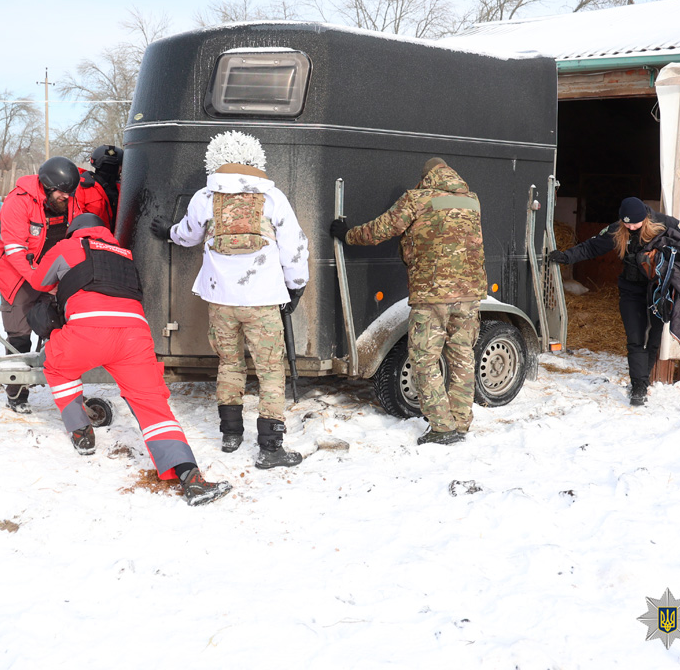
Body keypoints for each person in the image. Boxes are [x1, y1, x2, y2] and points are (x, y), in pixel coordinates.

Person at [28, 213, 232, 506]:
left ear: (75, 231)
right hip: (135, 336)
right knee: (153, 406)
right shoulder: (124, 254)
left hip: (86, 331)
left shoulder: (66, 247)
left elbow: (39, 282)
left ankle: (81, 429)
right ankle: (191, 476)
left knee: (57, 367)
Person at [153, 130, 309, 469]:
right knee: (269, 370)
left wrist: (168, 231)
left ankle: (231, 433)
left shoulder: (205, 197)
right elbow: (294, 246)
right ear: (256, 160)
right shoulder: (272, 197)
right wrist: (296, 286)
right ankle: (270, 447)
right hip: (263, 300)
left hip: (221, 300)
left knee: (229, 363)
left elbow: (188, 234)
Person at [331, 157, 487, 446]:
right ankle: (461, 421)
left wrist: (347, 234)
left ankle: (442, 427)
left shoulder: (417, 199)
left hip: (433, 295)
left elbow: (380, 230)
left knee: (424, 360)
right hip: (470, 295)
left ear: (427, 177)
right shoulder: (472, 201)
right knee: (463, 355)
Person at [548, 196, 680, 406]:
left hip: (658, 290)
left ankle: (643, 380)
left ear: (644, 219)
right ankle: (638, 387)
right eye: (626, 223)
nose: (629, 227)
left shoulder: (665, 224)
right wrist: (565, 256)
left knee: (654, 339)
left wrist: (672, 257)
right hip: (631, 290)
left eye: (634, 223)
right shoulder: (618, 228)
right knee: (635, 337)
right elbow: (591, 247)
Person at [0, 156, 102, 413]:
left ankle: (64, 388)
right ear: (48, 187)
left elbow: (77, 234)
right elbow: (15, 251)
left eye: (69, 193)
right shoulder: (18, 202)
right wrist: (41, 282)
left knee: (58, 328)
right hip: (16, 272)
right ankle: (17, 393)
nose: (67, 198)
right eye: (62, 193)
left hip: (51, 268)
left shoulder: (67, 199)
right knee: (19, 334)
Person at [78, 144, 123, 227]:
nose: (121, 170)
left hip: (115, 238)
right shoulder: (83, 187)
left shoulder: (120, 188)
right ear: (111, 166)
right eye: (119, 165)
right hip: (93, 238)